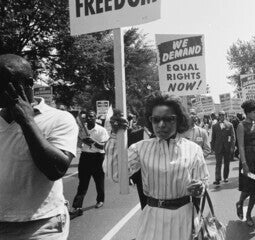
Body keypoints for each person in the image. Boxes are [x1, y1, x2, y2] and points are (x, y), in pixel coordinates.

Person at [107, 93, 209, 240]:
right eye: (156, 120)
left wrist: (200, 187)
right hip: (153, 216)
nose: (161, 124)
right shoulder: (140, 148)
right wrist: (115, 135)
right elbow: (115, 174)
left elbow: (202, 182)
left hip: (184, 217)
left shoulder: (193, 149)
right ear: (150, 121)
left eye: (169, 119)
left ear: (179, 120)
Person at [0, 54, 78, 239]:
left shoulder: (59, 118)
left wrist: (27, 121)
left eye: (3, 81)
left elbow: (56, 169)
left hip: (42, 225)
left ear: (28, 83)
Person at [70, 110, 109, 217]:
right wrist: (81, 141)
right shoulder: (82, 129)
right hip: (85, 157)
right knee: (82, 184)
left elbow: (103, 146)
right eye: (87, 117)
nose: (89, 118)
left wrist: (92, 142)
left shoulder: (101, 130)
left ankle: (100, 200)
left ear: (95, 117)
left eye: (91, 116)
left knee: (99, 181)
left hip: (98, 158)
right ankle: (77, 206)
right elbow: (78, 144)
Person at [235, 100, 255, 227]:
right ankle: (240, 202)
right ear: (247, 112)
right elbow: (240, 146)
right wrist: (244, 163)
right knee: (248, 188)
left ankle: (249, 214)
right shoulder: (241, 125)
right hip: (247, 161)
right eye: (254, 112)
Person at [211, 111, 235, 185]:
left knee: (227, 163)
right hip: (218, 147)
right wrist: (212, 148)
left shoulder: (230, 125)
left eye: (223, 115)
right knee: (218, 163)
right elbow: (213, 138)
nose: (221, 116)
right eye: (220, 115)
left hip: (227, 147)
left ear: (225, 116)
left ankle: (225, 177)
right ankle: (217, 178)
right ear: (218, 116)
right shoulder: (214, 126)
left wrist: (232, 147)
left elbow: (232, 137)